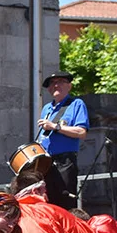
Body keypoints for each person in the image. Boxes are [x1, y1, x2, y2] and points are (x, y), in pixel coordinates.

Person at [35, 71, 88, 210]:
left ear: (69, 86)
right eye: (52, 83)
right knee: (48, 202)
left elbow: (81, 132)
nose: (55, 85)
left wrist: (55, 126)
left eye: (60, 82)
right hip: (46, 162)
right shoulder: (46, 108)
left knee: (65, 202)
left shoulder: (76, 104)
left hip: (64, 161)